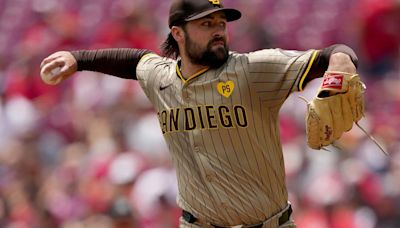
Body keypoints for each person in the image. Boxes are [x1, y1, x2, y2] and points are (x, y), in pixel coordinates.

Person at [40, 0, 359, 227]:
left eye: (221, 23)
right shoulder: (161, 77)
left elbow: (332, 54)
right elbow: (133, 61)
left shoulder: (252, 69)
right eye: (207, 24)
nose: (219, 31)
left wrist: (341, 61)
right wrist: (77, 58)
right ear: (178, 33)